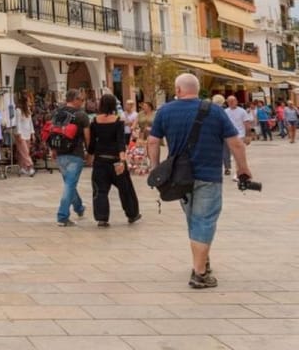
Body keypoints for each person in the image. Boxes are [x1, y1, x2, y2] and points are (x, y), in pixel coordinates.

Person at [149, 73, 253, 289]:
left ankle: (201, 260)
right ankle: (200, 273)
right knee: (204, 220)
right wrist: (243, 168)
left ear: (178, 90)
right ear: (196, 90)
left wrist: (155, 168)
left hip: (179, 177)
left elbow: (152, 141)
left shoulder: (165, 111)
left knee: (193, 219)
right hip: (208, 175)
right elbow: (235, 143)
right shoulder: (214, 111)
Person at [88, 93, 140, 227]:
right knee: (125, 188)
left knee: (100, 190)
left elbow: (92, 143)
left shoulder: (94, 121)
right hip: (115, 160)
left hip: (100, 160)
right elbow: (120, 142)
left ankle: (102, 218)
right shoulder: (118, 121)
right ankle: (132, 214)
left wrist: (90, 155)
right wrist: (122, 160)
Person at [52, 89, 91, 227]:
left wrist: (53, 150)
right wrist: (90, 153)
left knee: (70, 184)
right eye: (81, 99)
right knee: (70, 185)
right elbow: (87, 136)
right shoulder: (82, 115)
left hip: (60, 154)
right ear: (74, 99)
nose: (82, 102)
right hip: (76, 154)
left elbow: (53, 132)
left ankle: (79, 208)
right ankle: (62, 216)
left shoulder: (57, 113)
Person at [14, 95, 35, 176]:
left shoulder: (28, 111)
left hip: (27, 133)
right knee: (25, 152)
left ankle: (23, 167)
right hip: (20, 134)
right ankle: (30, 166)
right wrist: (18, 133)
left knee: (23, 152)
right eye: (28, 101)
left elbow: (30, 123)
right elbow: (17, 123)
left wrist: (32, 133)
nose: (30, 103)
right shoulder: (18, 111)